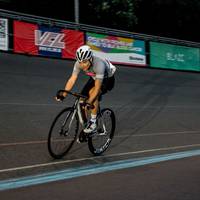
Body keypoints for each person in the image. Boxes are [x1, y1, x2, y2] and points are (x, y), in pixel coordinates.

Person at [56, 45, 116, 134]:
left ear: (90, 59)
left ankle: (93, 123)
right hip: (94, 77)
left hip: (107, 79)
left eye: (84, 62)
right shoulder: (78, 63)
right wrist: (64, 94)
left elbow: (97, 88)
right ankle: (85, 127)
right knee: (81, 99)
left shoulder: (99, 65)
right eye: (80, 62)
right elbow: (72, 79)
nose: (82, 65)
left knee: (92, 95)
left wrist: (90, 101)